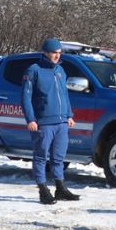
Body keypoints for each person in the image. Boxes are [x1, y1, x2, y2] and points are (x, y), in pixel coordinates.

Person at [23, 38, 79, 204]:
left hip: (61, 122)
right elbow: (25, 97)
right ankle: (43, 190)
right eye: (54, 52)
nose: (57, 56)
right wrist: (31, 119)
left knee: (58, 157)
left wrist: (69, 114)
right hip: (43, 123)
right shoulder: (34, 70)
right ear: (45, 52)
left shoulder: (60, 70)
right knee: (40, 157)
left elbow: (64, 95)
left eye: (59, 52)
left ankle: (60, 188)